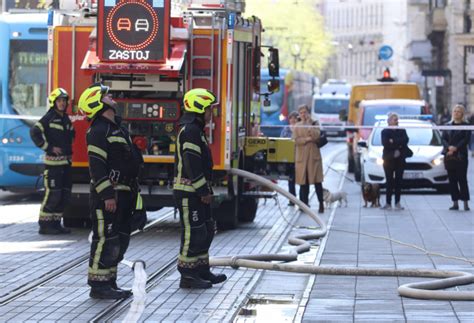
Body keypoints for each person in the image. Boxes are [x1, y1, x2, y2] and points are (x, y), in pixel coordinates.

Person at [78, 83, 143, 299]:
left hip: (125, 193)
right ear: (97, 102)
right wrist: (107, 195)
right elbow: (96, 166)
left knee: (119, 240)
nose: (112, 97)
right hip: (108, 196)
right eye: (107, 96)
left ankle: (110, 282)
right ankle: (98, 286)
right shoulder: (97, 131)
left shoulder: (118, 128)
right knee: (105, 239)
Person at [173, 88, 226, 289]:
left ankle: (201, 270)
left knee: (205, 231)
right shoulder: (190, 131)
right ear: (199, 108)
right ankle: (187, 275)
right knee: (193, 233)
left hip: (197, 191)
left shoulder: (196, 130)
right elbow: (191, 164)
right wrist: (203, 191)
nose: (211, 113)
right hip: (189, 192)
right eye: (209, 109)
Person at [30, 88, 74, 234]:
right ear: (54, 102)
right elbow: (34, 131)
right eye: (59, 101)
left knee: (64, 195)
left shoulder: (65, 118)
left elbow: (71, 135)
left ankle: (56, 224)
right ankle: (45, 225)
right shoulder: (49, 118)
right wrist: (48, 147)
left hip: (66, 165)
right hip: (53, 166)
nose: (62, 103)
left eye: (64, 101)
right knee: (53, 195)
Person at [292, 104, 324, 213]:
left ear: (308, 113)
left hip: (313, 157)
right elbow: (296, 140)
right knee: (303, 182)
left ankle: (321, 203)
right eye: (301, 113)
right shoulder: (297, 126)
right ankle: (304, 205)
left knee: (317, 181)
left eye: (305, 112)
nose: (303, 115)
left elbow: (316, 136)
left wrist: (309, 125)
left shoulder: (314, 123)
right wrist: (307, 139)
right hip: (302, 158)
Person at [442, 104, 471, 211]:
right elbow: (443, 139)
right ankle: (455, 203)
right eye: (454, 111)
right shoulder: (447, 125)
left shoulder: (466, 125)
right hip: (449, 156)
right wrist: (448, 147)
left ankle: (465, 203)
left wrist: (456, 148)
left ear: (462, 114)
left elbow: (466, 140)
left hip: (461, 157)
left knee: (462, 180)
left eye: (458, 111)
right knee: (452, 180)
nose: (456, 113)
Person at [381, 112, 410, 210]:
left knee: (398, 181)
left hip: (400, 159)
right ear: (389, 121)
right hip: (389, 159)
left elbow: (405, 140)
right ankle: (388, 203)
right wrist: (398, 143)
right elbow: (385, 143)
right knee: (389, 181)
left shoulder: (402, 130)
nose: (396, 121)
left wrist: (393, 141)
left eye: (397, 119)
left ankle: (397, 202)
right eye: (394, 119)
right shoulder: (385, 131)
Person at [280, 111, 298, 206]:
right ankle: (292, 199)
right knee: (291, 180)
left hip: (298, 157)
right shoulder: (286, 129)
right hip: (289, 157)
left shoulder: (300, 129)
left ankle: (302, 200)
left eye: (295, 118)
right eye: (291, 118)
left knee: (300, 180)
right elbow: (282, 141)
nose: (293, 120)